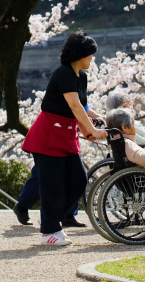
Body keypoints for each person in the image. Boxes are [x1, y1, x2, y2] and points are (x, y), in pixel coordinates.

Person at [21, 32, 108, 246]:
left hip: (66, 135)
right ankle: (49, 231)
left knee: (79, 179)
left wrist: (96, 119)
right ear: (81, 54)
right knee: (52, 185)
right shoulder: (64, 74)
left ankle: (52, 219)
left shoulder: (81, 77)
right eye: (90, 55)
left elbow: (83, 106)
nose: (92, 59)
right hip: (49, 135)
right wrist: (92, 131)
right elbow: (74, 106)